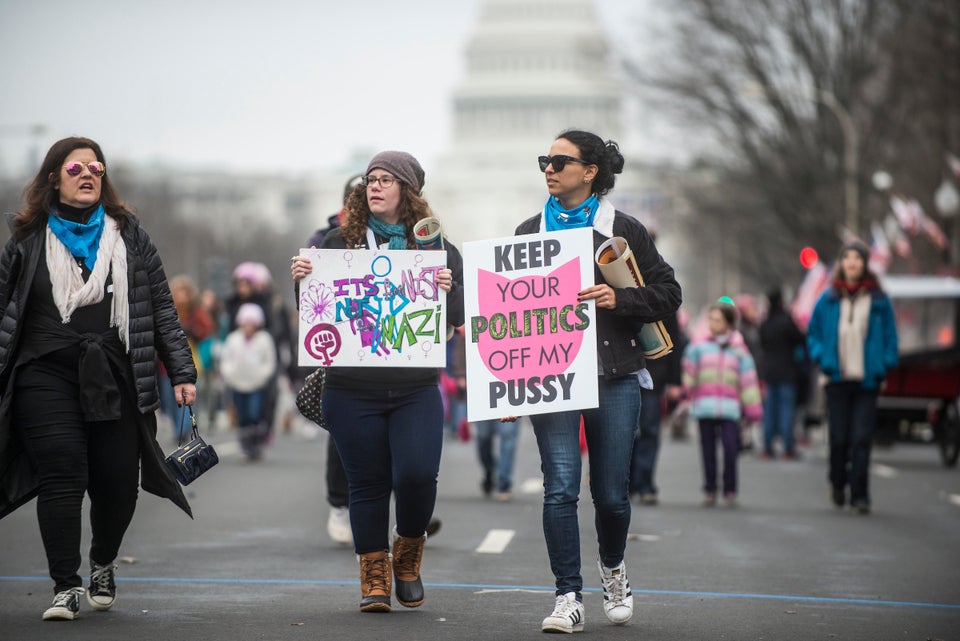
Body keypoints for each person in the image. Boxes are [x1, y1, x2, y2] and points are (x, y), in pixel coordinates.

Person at [0, 136, 197, 620]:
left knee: (115, 484)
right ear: (54, 178)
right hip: (44, 372)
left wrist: (182, 371)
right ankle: (64, 586)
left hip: (115, 373)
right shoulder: (26, 239)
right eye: (76, 168)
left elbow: (161, 308)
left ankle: (103, 560)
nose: (88, 174)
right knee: (62, 474)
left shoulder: (129, 235)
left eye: (96, 168)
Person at [513, 130, 681, 633]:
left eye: (561, 161)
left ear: (590, 172)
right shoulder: (527, 232)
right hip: (552, 377)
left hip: (615, 375)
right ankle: (567, 595)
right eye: (545, 159)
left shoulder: (621, 230)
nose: (549, 168)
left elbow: (670, 291)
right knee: (559, 489)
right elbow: (512, 315)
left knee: (609, 494)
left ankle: (613, 570)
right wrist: (506, 381)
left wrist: (619, 300)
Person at [290, 151, 464, 613]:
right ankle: (373, 573)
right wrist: (303, 281)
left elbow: (461, 317)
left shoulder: (435, 246)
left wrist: (450, 290)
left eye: (387, 180)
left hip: (415, 389)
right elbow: (315, 312)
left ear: (407, 191)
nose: (376, 186)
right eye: (371, 179)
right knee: (364, 483)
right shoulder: (336, 241)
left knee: (417, 474)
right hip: (351, 389)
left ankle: (407, 552)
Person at [806, 241, 898, 514]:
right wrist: (822, 357)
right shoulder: (828, 298)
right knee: (839, 437)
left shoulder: (879, 300)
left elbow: (891, 337)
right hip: (836, 378)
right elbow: (814, 334)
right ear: (841, 264)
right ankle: (837, 482)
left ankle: (860, 494)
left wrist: (886, 363)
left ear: (865, 264)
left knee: (861, 438)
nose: (852, 263)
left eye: (857, 259)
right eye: (847, 258)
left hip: (867, 379)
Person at [682, 300, 762, 508]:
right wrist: (684, 393)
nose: (712, 323)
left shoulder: (739, 351)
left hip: (730, 409)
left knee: (730, 448)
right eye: (711, 319)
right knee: (707, 450)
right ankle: (710, 489)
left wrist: (753, 409)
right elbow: (689, 373)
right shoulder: (698, 347)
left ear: (729, 323)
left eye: (717, 320)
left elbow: (748, 381)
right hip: (704, 406)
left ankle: (730, 489)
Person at [629, 312, 683, 506]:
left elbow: (674, 340)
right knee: (627, 431)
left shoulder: (660, 290)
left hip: (654, 376)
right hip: (625, 371)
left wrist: (675, 380)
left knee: (649, 430)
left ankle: (644, 484)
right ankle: (629, 483)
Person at [159, 274, 215, 441]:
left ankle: (182, 430)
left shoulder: (197, 313)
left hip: (190, 362)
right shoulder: (166, 309)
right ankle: (178, 426)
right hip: (166, 364)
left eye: (185, 292)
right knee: (169, 400)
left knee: (186, 398)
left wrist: (192, 331)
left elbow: (206, 331)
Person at [220, 303, 277, 461]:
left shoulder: (264, 339)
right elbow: (226, 360)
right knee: (243, 416)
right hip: (237, 384)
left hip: (256, 385)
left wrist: (262, 376)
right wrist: (229, 374)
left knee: (254, 413)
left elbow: (270, 361)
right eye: (246, 322)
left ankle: (256, 443)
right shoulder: (233, 339)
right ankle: (245, 446)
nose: (248, 326)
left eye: (252, 322)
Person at [758, 287, 806, 460]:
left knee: (769, 411)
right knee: (787, 410)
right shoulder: (787, 321)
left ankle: (767, 447)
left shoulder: (765, 323)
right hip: (787, 371)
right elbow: (801, 339)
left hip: (770, 372)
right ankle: (787, 447)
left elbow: (762, 344)